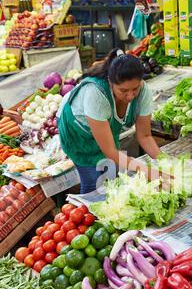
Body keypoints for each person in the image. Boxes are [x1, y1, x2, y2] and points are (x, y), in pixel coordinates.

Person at [58, 48, 163, 193]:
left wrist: (165, 163)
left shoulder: (143, 91)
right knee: (93, 181)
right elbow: (111, 152)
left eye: (135, 89)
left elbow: (145, 136)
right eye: (123, 91)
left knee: (112, 174)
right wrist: (147, 171)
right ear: (110, 82)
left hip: (102, 126)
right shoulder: (96, 94)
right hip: (78, 133)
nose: (131, 96)